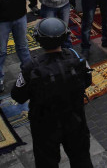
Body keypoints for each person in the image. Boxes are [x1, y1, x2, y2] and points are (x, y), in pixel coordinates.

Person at [12, 18, 93, 168]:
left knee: (46, 163)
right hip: (75, 118)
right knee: (81, 159)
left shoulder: (31, 67)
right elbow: (87, 81)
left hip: (45, 124)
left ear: (38, 40)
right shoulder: (77, 57)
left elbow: (17, 95)